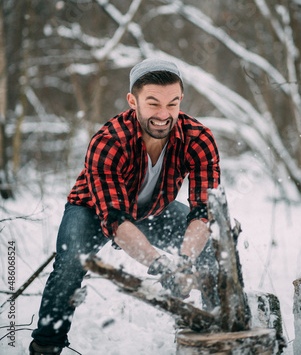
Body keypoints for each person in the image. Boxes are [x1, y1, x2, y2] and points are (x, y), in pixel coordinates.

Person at [30, 59, 221, 355]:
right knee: (69, 267)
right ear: (133, 101)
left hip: (152, 212)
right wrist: (161, 265)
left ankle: (219, 328)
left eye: (172, 104)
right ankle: (46, 345)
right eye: (152, 103)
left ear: (181, 99)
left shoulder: (198, 139)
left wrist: (183, 262)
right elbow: (116, 221)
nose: (163, 114)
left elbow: (202, 213)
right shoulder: (109, 141)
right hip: (94, 211)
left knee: (208, 247)